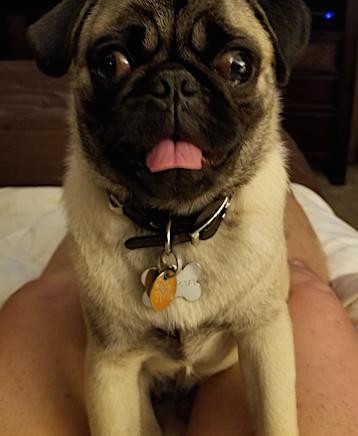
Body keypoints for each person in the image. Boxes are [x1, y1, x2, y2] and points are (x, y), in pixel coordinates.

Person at [1, 145, 358, 435]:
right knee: (55, 297)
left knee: (290, 294)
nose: (175, 94)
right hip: (115, 201)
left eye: (236, 69)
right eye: (114, 64)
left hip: (229, 347)